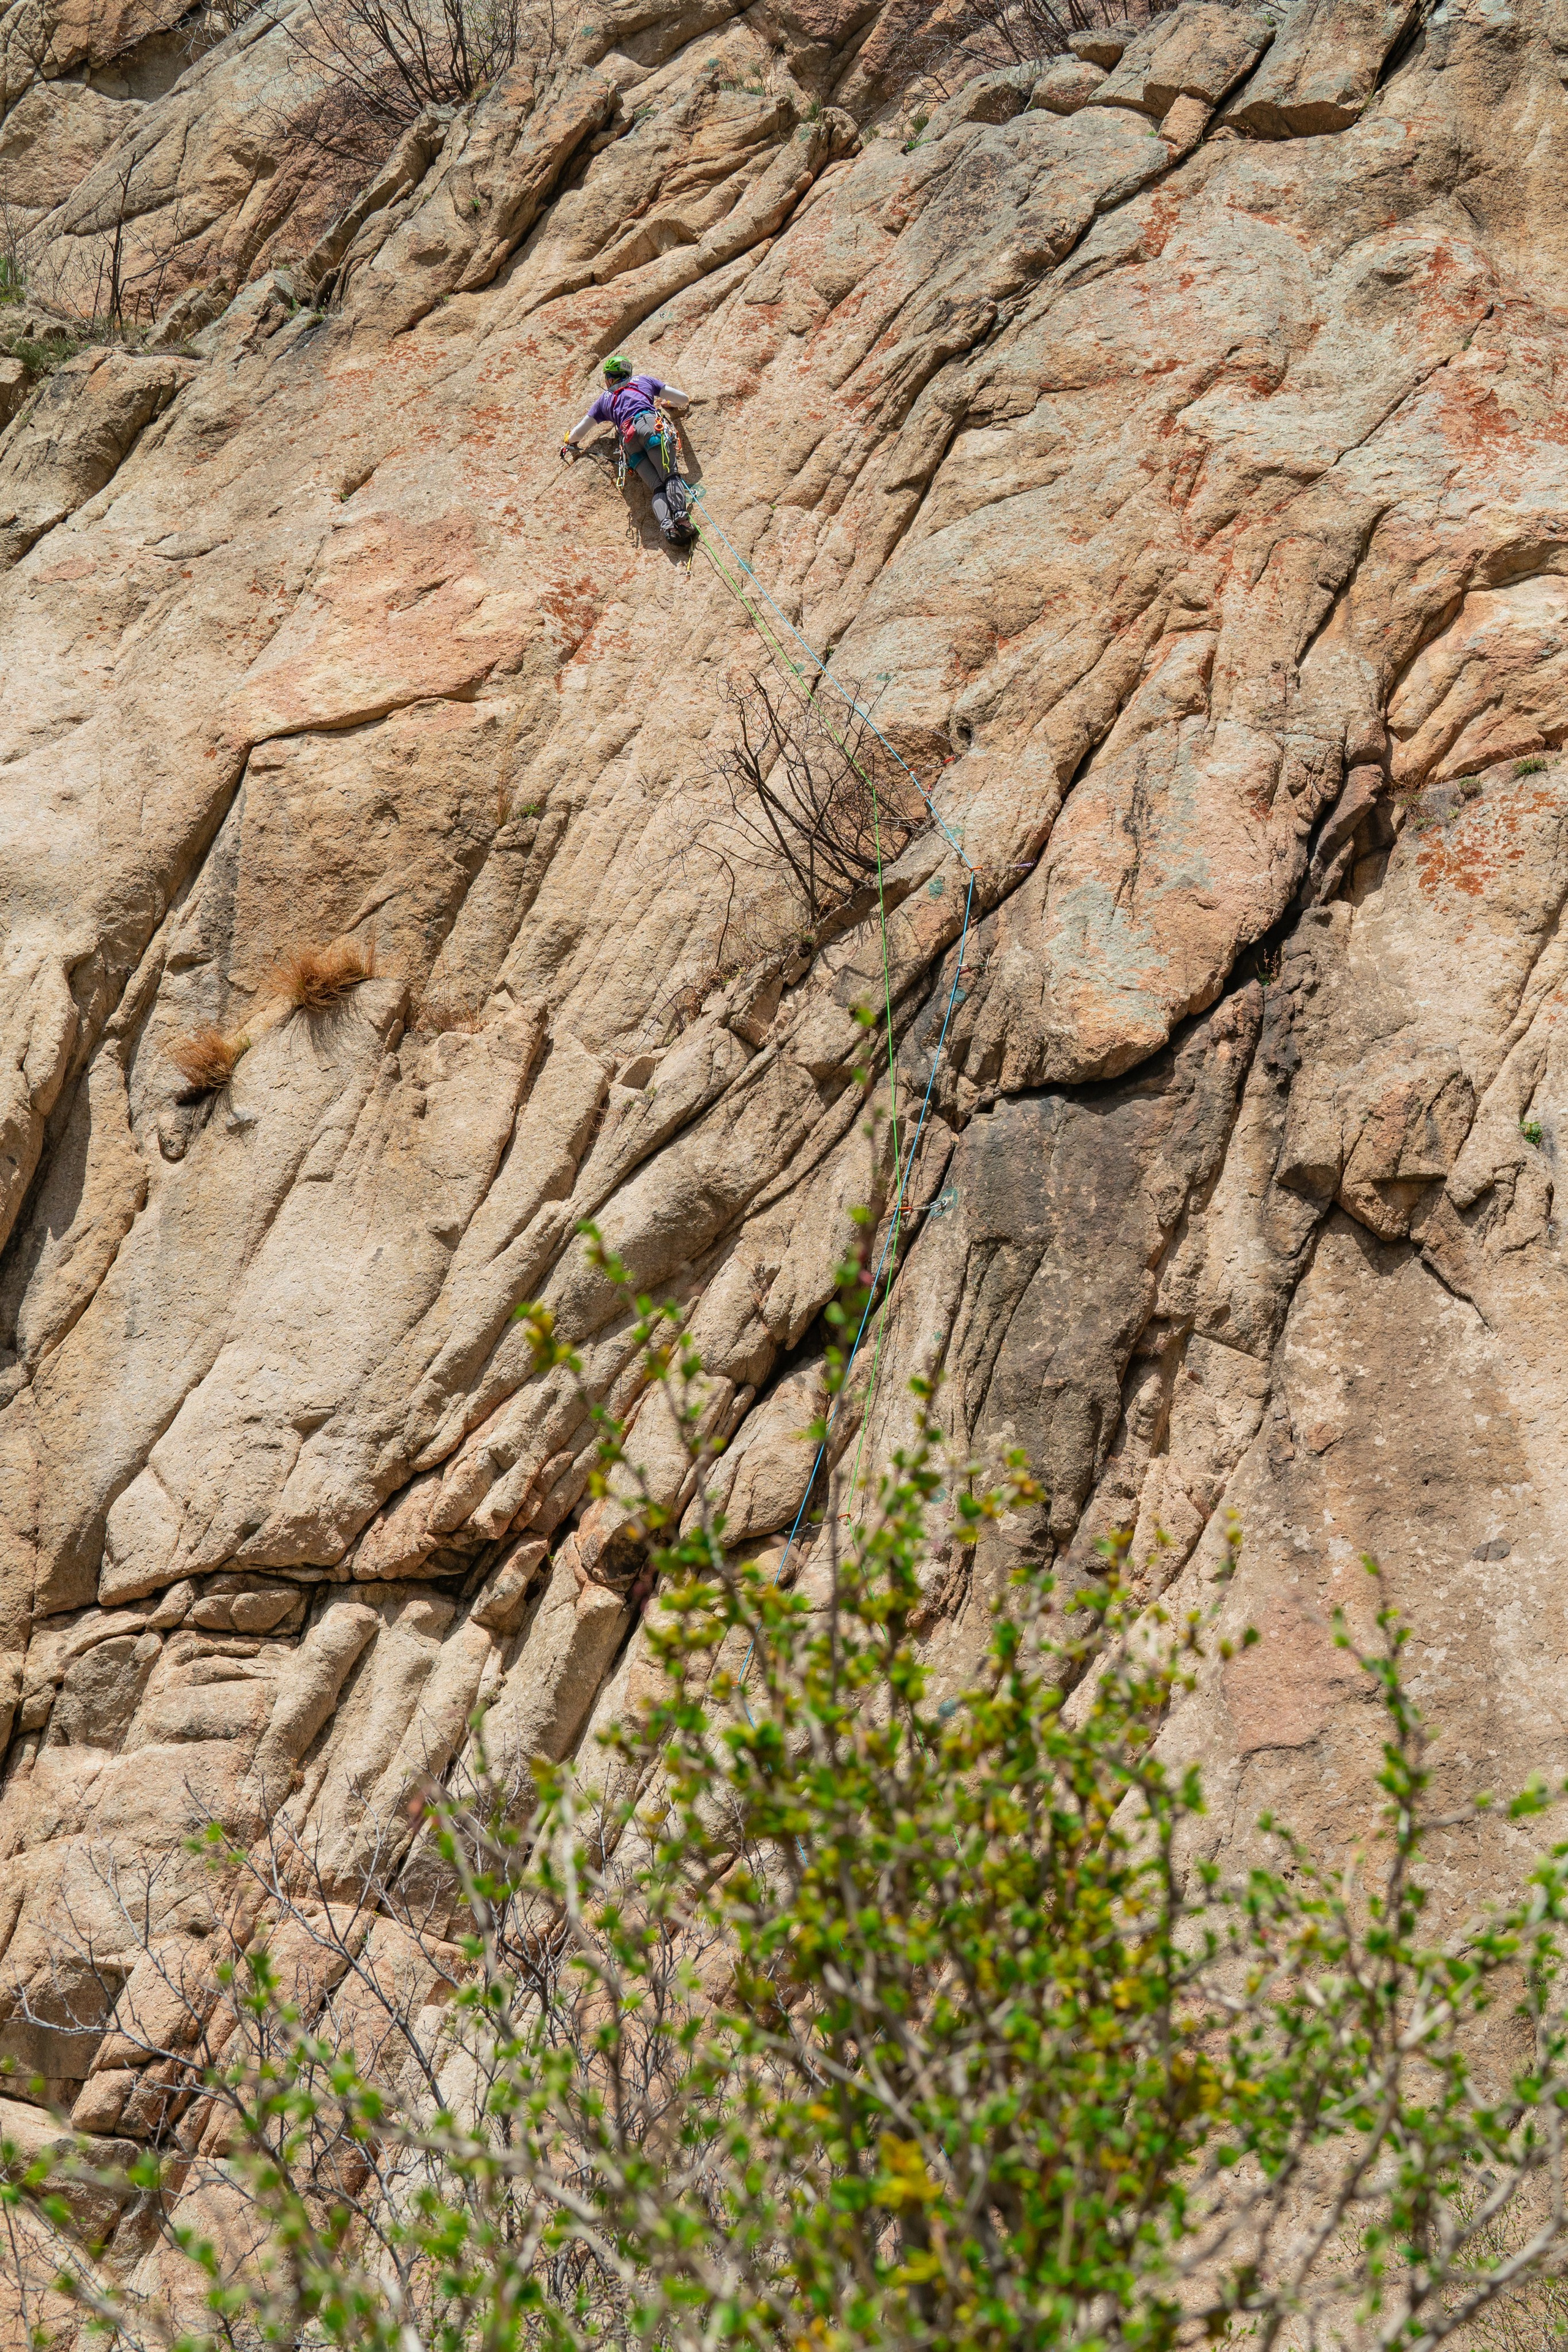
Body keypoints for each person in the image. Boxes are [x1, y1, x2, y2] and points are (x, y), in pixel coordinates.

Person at [561, 354, 695, 542]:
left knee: (657, 487)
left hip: (629, 441)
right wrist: (670, 405)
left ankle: (668, 529)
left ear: (610, 378)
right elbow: (683, 398)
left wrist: (570, 439)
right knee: (670, 475)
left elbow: (579, 432)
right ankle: (682, 521)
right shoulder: (644, 381)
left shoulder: (604, 400)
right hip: (650, 427)